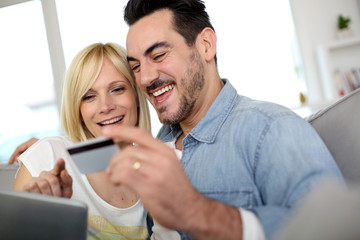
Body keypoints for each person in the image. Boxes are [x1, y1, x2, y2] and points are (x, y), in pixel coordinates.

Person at [100, 1, 345, 240]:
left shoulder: (271, 128)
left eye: (159, 55)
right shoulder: (158, 143)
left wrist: (197, 211)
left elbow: (336, 228)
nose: (145, 78)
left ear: (206, 45)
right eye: (136, 67)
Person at [12, 42, 179, 240]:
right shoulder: (47, 157)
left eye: (117, 89)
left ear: (136, 94)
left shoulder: (162, 169)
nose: (106, 106)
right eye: (89, 96)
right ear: (78, 109)